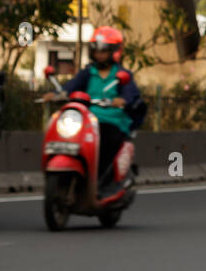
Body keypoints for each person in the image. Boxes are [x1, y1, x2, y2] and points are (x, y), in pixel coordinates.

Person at [47, 26, 142, 195]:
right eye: (96, 50)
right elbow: (70, 87)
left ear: (114, 52)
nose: (99, 54)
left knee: (106, 141)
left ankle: (102, 181)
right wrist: (56, 94)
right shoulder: (87, 73)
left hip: (111, 121)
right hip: (86, 120)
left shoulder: (122, 75)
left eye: (104, 51)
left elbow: (131, 94)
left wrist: (122, 100)